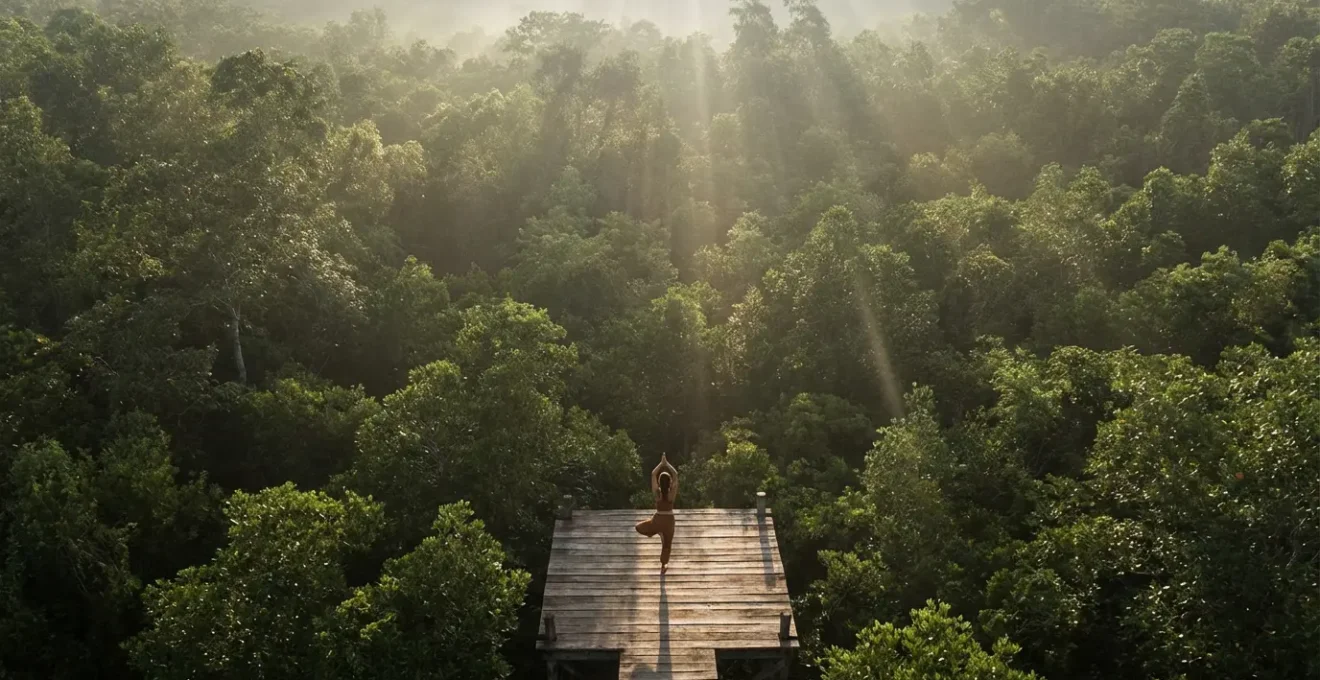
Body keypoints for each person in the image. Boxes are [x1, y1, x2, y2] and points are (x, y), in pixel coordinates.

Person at [635, 454, 678, 573]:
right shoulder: (671, 494)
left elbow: (653, 474)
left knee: (639, 527)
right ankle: (663, 566)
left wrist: (661, 464)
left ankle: (653, 531)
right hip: (669, 521)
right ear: (669, 483)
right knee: (667, 544)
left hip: (658, 519)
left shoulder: (657, 494)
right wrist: (667, 464)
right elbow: (675, 474)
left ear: (659, 482)